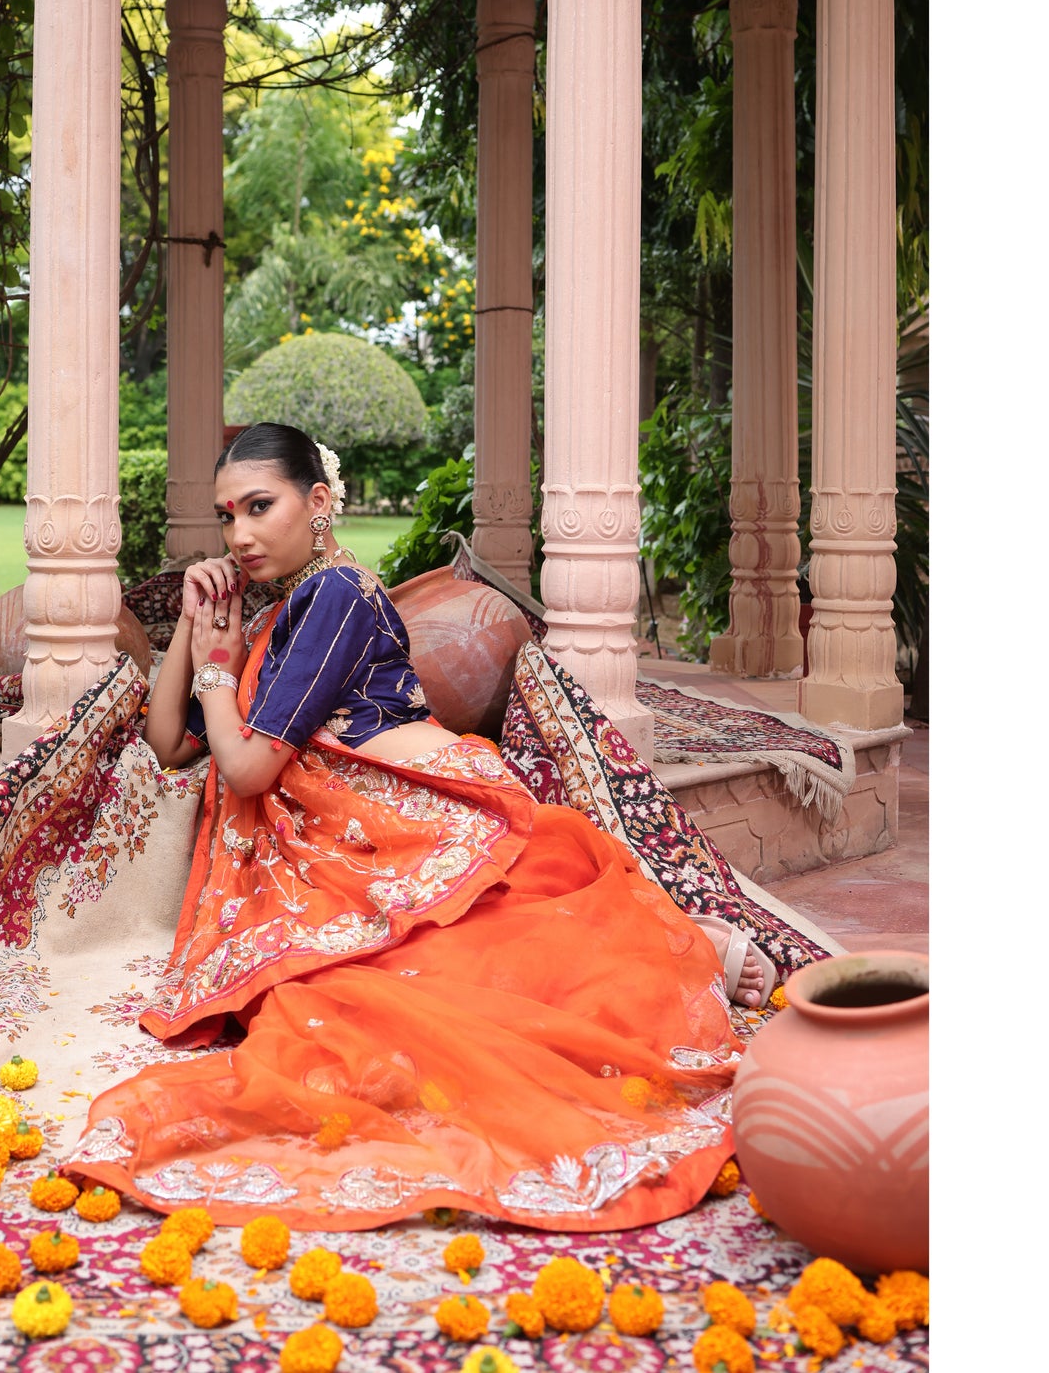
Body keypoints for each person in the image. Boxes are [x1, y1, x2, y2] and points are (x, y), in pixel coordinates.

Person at [64, 424, 777, 1231]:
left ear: (319, 503)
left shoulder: (339, 594)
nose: (240, 534)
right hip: (337, 847)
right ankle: (679, 946)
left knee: (434, 979)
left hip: (397, 822)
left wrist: (221, 671)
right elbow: (171, 744)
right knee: (368, 989)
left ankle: (682, 948)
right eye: (227, 515)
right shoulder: (271, 620)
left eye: (260, 507)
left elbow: (251, 770)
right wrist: (196, 631)